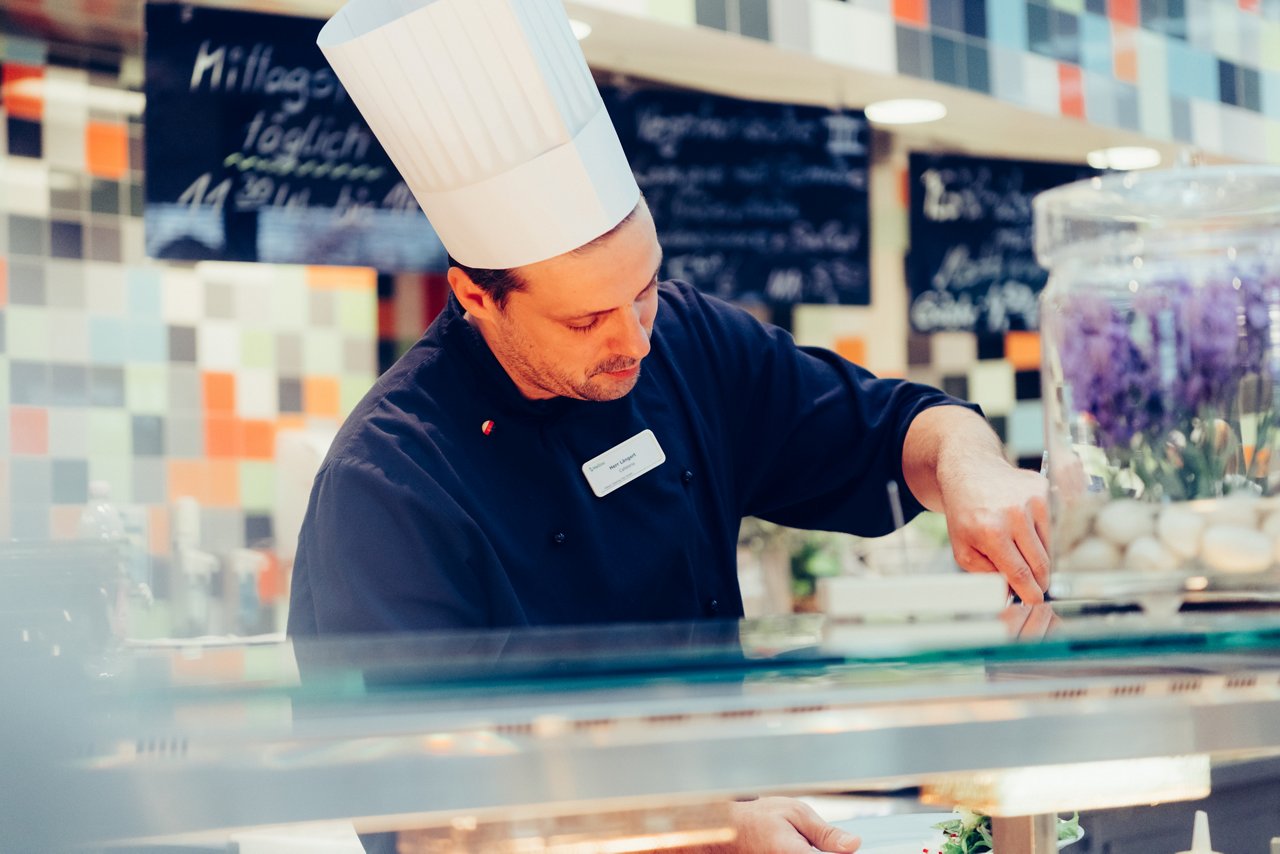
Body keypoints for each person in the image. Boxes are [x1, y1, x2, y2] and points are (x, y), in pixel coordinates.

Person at [292, 1, 1050, 851]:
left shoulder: (686, 342)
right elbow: (420, 803)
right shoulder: (386, 484)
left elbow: (892, 429)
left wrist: (971, 467)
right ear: (476, 297)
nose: (634, 340)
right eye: (586, 322)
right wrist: (705, 833)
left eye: (645, 286)